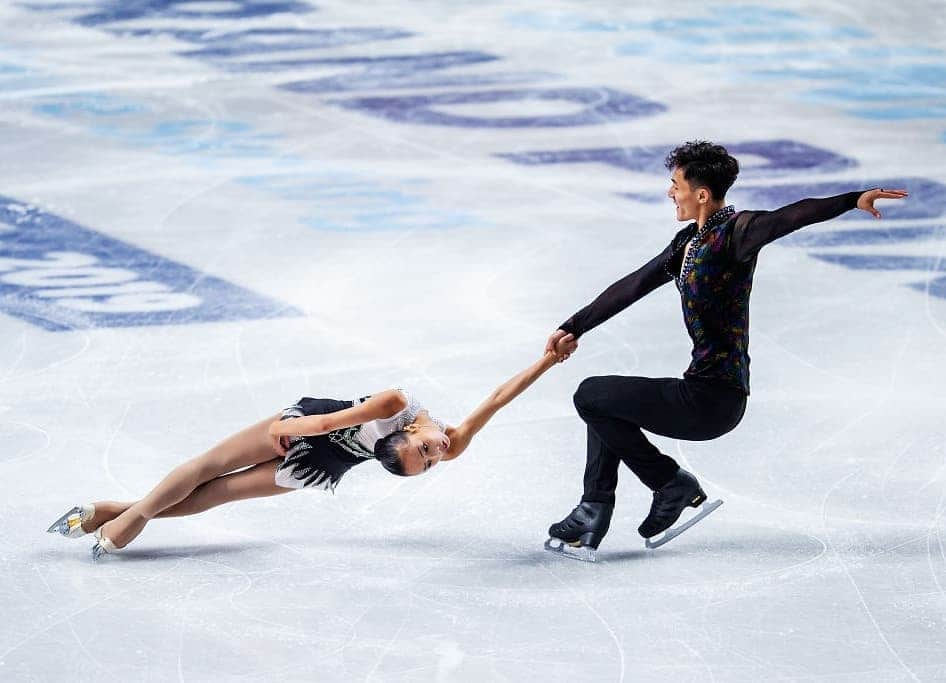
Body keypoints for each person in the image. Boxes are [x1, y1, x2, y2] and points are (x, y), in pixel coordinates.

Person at [544, 140, 908, 560]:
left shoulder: (737, 233)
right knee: (604, 403)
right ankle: (595, 510)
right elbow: (635, 283)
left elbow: (792, 214)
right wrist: (574, 326)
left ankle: (667, 484)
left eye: (675, 184)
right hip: (699, 388)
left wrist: (850, 200)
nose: (670, 193)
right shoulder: (687, 244)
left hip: (715, 398)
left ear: (701, 194)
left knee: (591, 394)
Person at [48, 350, 567, 559]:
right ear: (404, 432)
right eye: (428, 451)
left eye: (428, 461)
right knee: (209, 466)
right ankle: (128, 516)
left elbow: (497, 402)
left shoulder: (448, 445)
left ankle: (113, 512)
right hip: (310, 428)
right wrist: (283, 426)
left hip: (322, 464)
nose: (439, 451)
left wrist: (548, 361)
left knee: (216, 495)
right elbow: (332, 422)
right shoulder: (395, 403)